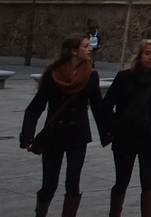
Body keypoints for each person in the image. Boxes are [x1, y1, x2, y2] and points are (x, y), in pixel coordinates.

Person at [20, 33, 109, 217]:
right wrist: (27, 135)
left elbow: (98, 108)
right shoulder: (54, 74)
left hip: (78, 135)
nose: (90, 48)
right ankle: (41, 212)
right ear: (74, 51)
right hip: (54, 135)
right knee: (49, 184)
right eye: (85, 46)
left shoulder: (91, 76)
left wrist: (108, 133)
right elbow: (36, 106)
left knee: (73, 182)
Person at [100, 38, 151, 217]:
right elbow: (107, 105)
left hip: (149, 136)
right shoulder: (124, 77)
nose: (150, 57)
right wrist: (115, 127)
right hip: (125, 136)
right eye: (147, 53)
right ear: (139, 56)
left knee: (148, 181)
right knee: (122, 180)